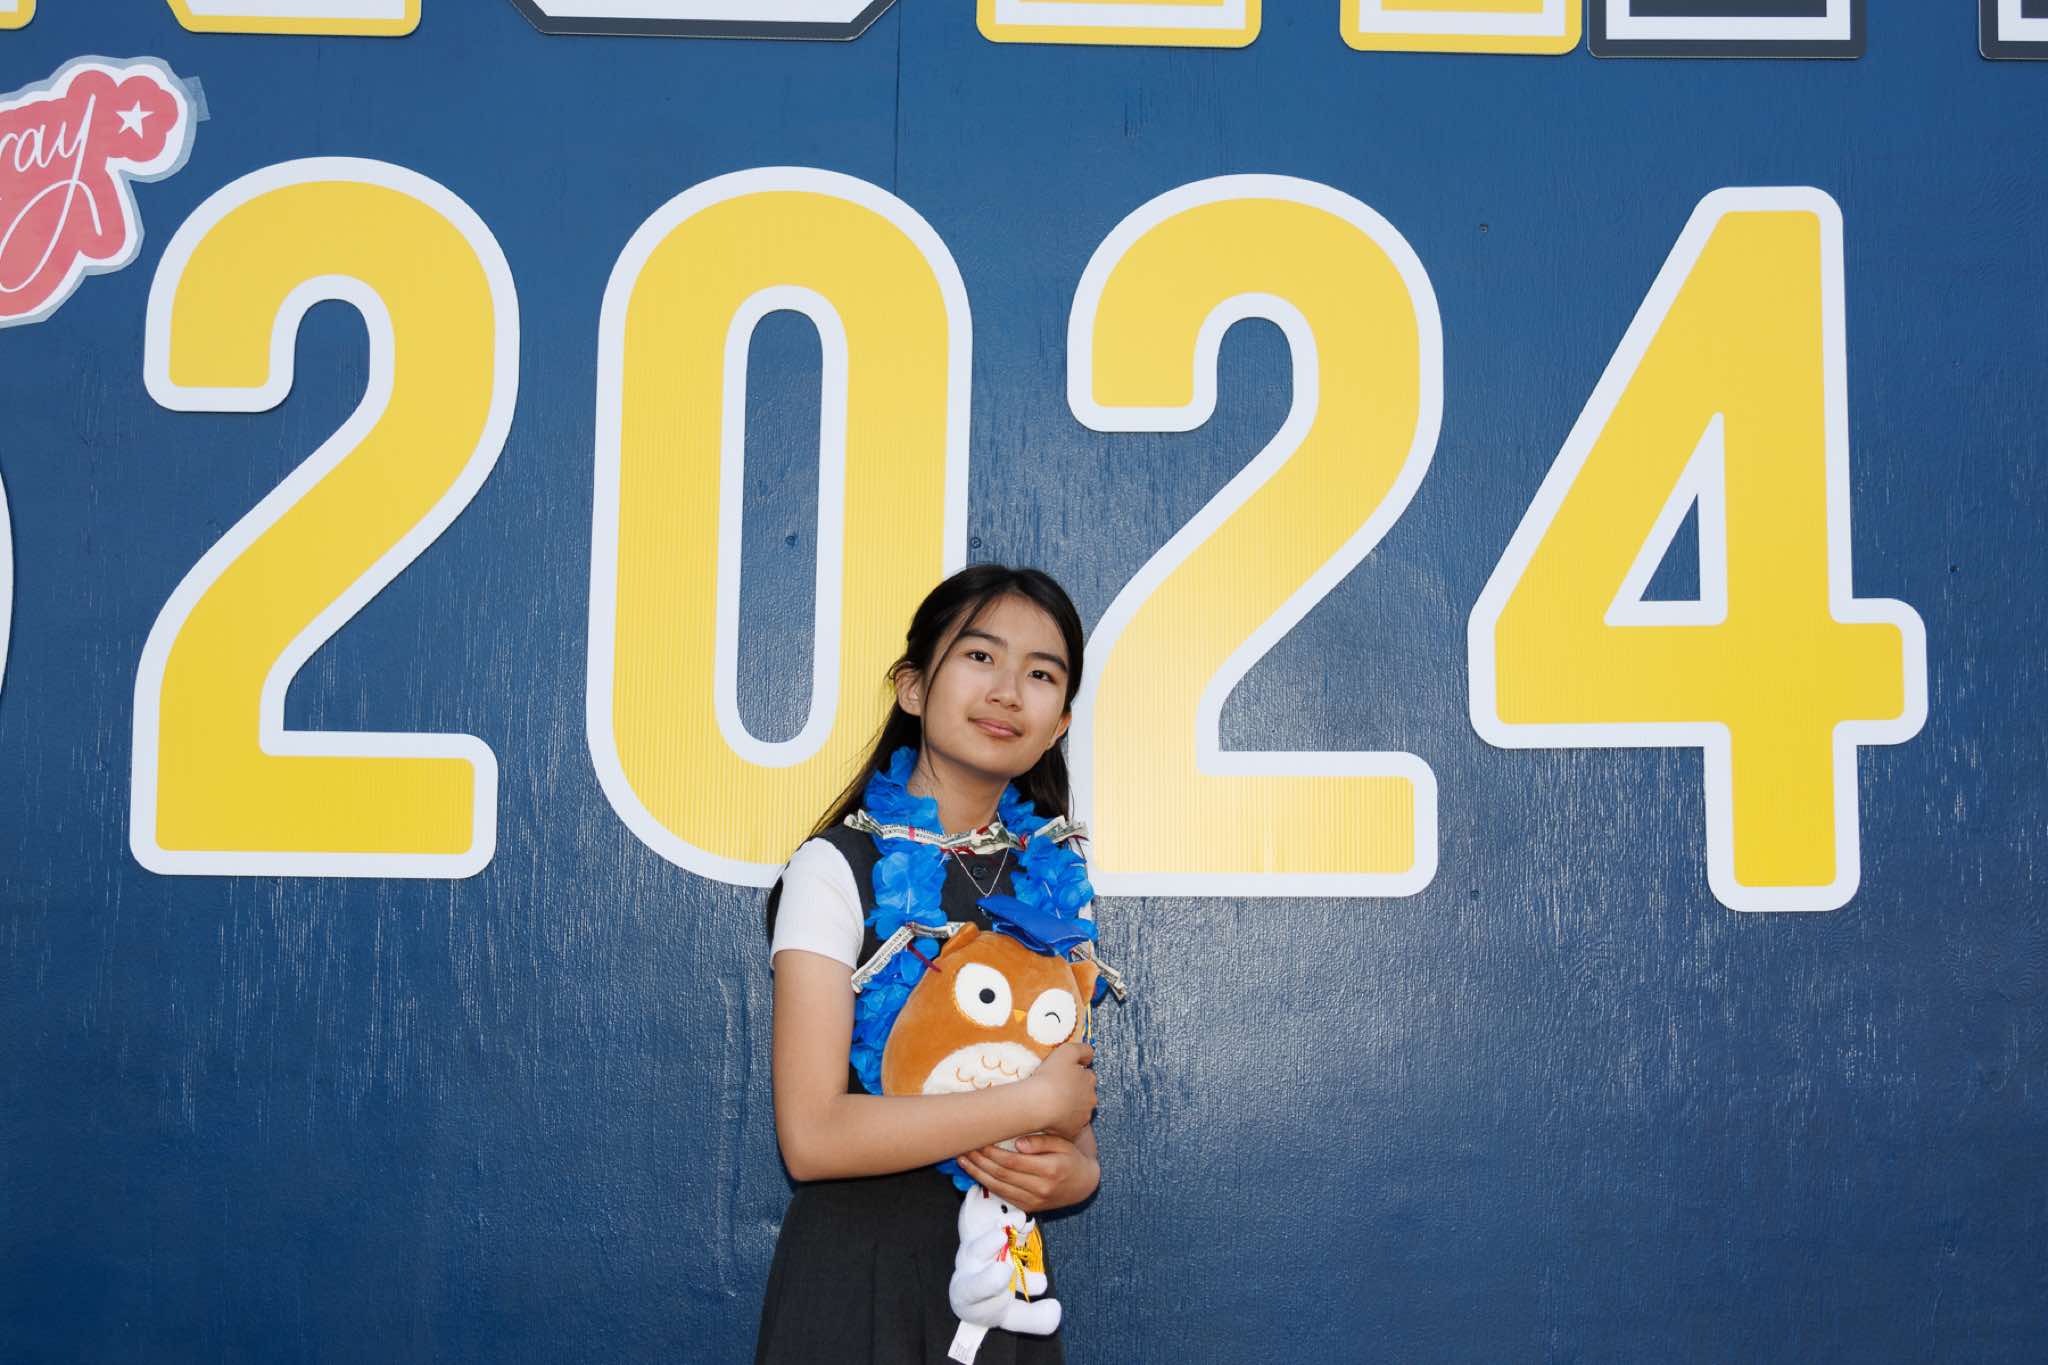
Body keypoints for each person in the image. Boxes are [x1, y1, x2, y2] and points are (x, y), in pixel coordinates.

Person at [755, 565, 1104, 1365]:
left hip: (1006, 1295)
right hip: (859, 1288)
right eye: (980, 656)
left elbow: (1069, 1114)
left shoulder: (1054, 885)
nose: (1008, 691)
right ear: (912, 687)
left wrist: (1078, 1174)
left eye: (1041, 674)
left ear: (1059, 723)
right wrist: (1027, 1102)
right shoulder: (834, 868)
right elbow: (811, 1134)